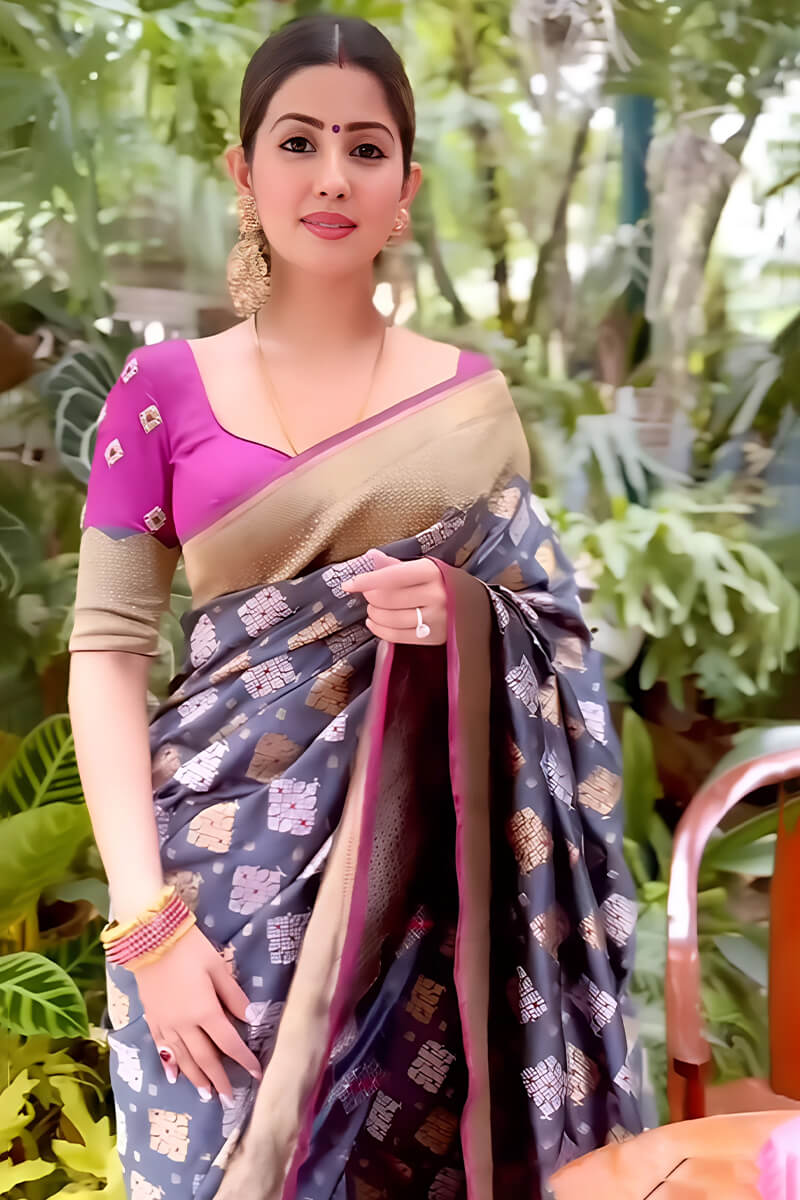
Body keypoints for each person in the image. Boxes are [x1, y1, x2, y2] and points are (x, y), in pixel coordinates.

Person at [67, 14, 643, 1200]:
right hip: (203, 898)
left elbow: (549, 636)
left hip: (421, 904)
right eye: (297, 142)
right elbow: (107, 654)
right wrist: (147, 925)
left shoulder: (468, 405)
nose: (331, 176)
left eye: (365, 149)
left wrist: (466, 618)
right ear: (242, 170)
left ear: (404, 188)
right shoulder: (159, 390)